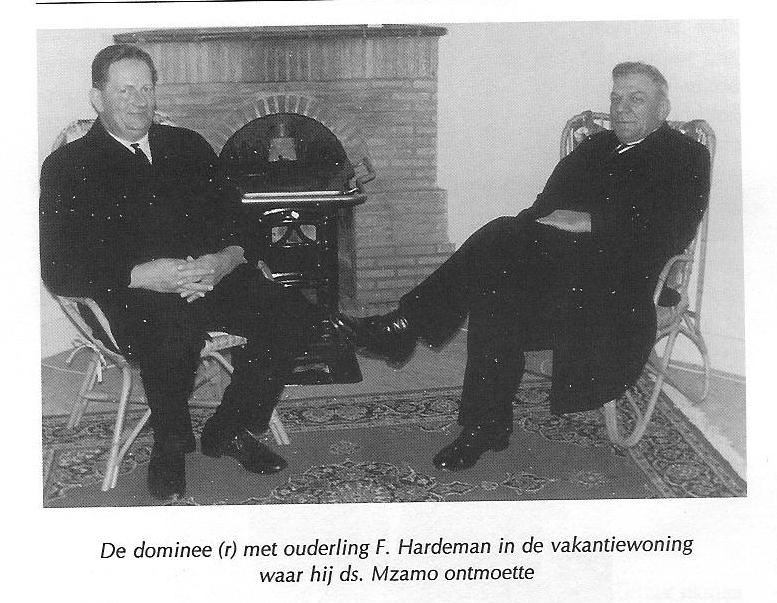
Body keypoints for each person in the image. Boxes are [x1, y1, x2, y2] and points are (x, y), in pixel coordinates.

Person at [351, 62, 711, 471]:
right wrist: (539, 229)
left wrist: (593, 221)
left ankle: (405, 326)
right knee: (496, 287)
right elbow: (544, 208)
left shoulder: (685, 155)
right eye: (616, 98)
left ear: (662, 108)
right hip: (560, 267)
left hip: (624, 281)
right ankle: (482, 428)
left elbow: (673, 230)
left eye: (636, 99)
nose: (622, 107)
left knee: (501, 237)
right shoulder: (594, 148)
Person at [39, 44, 354, 500]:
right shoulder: (68, 167)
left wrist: (223, 261)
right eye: (124, 90)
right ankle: (170, 443)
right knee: (172, 333)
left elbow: (241, 221)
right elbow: (58, 265)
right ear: (97, 98)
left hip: (209, 276)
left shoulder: (187, 145)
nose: (139, 101)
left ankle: (229, 426)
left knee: (293, 316)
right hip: (133, 290)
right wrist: (143, 275)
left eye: (146, 89)